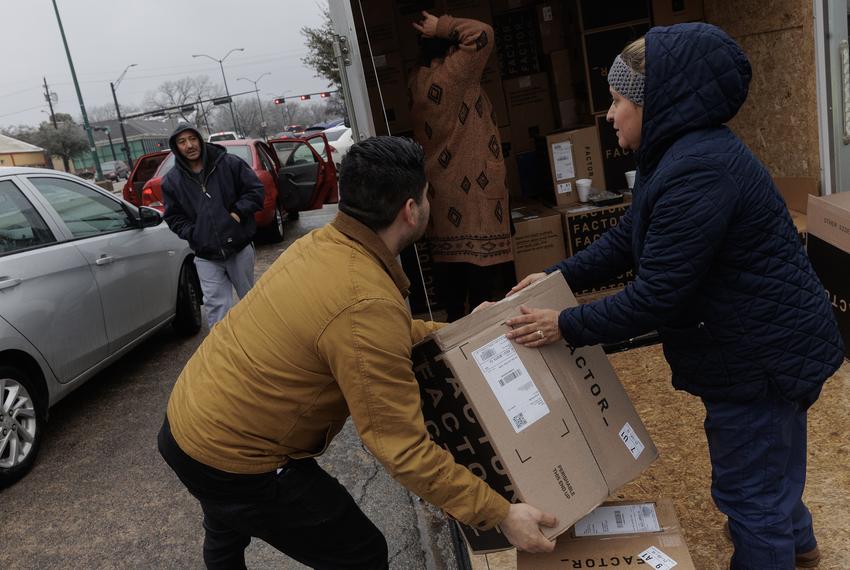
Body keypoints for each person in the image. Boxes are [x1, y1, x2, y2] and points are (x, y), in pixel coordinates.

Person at [503, 23, 844, 570]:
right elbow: (626, 240)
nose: (609, 115)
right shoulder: (676, 155)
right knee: (767, 469)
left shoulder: (698, 170)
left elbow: (655, 296)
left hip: (760, 357)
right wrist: (556, 275)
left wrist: (563, 324)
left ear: (658, 103)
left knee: (750, 494)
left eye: (618, 100)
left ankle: (777, 550)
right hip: (758, 343)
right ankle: (800, 548)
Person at [158, 137, 557, 569]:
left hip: (191, 422)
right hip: (235, 457)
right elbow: (401, 448)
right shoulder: (364, 300)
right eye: (427, 195)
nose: (429, 203)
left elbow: (376, 333)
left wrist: (466, 330)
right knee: (359, 553)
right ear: (410, 209)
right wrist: (500, 513)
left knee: (225, 520)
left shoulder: (323, 245)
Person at [408, 10, 514, 321]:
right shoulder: (456, 73)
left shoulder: (417, 81)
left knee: (452, 284)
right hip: (473, 196)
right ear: (450, 47)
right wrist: (442, 26)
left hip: (442, 195)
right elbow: (482, 33)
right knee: (480, 288)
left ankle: (457, 335)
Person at [161, 123, 264, 328]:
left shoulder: (229, 164)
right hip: (206, 255)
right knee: (216, 307)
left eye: (192, 139)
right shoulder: (171, 181)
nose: (189, 145)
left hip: (239, 248)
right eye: (182, 142)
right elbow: (173, 217)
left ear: (200, 140)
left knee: (252, 301)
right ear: (176, 147)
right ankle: (223, 354)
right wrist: (194, 233)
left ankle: (260, 346)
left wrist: (236, 214)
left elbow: (255, 192)